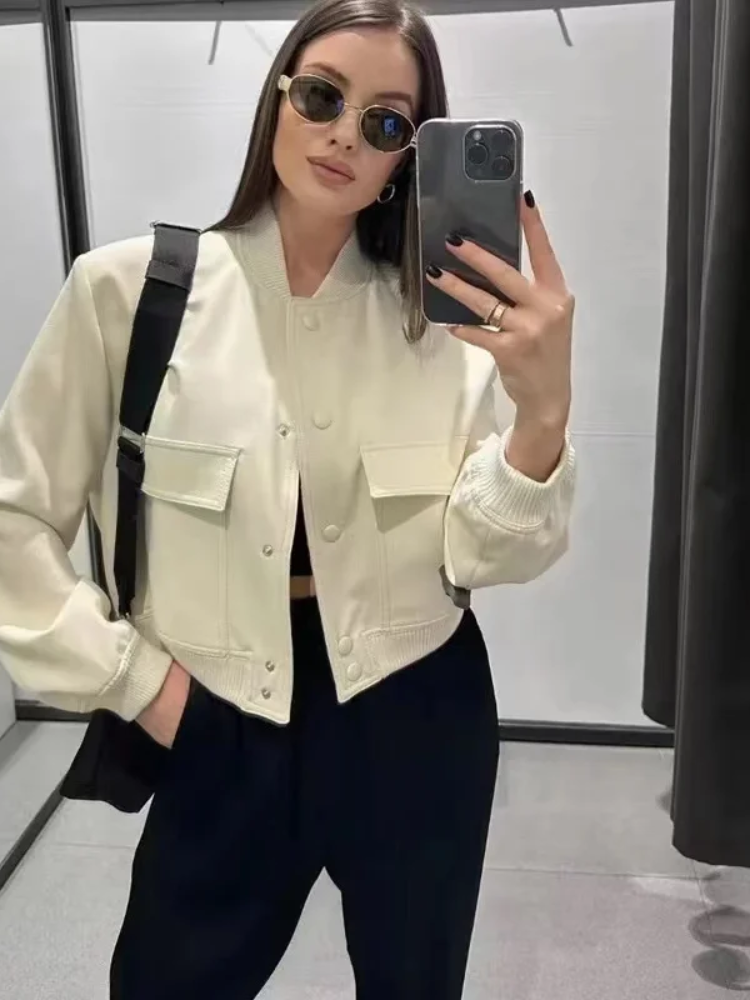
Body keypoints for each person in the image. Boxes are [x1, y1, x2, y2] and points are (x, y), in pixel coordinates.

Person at [0, 0, 576, 996]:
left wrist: (544, 411)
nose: (346, 134)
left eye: (386, 121)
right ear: (277, 101)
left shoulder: (444, 326)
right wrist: (141, 687)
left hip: (417, 711)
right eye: (321, 97)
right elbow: (13, 521)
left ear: (408, 156)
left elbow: (489, 555)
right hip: (215, 710)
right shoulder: (128, 295)